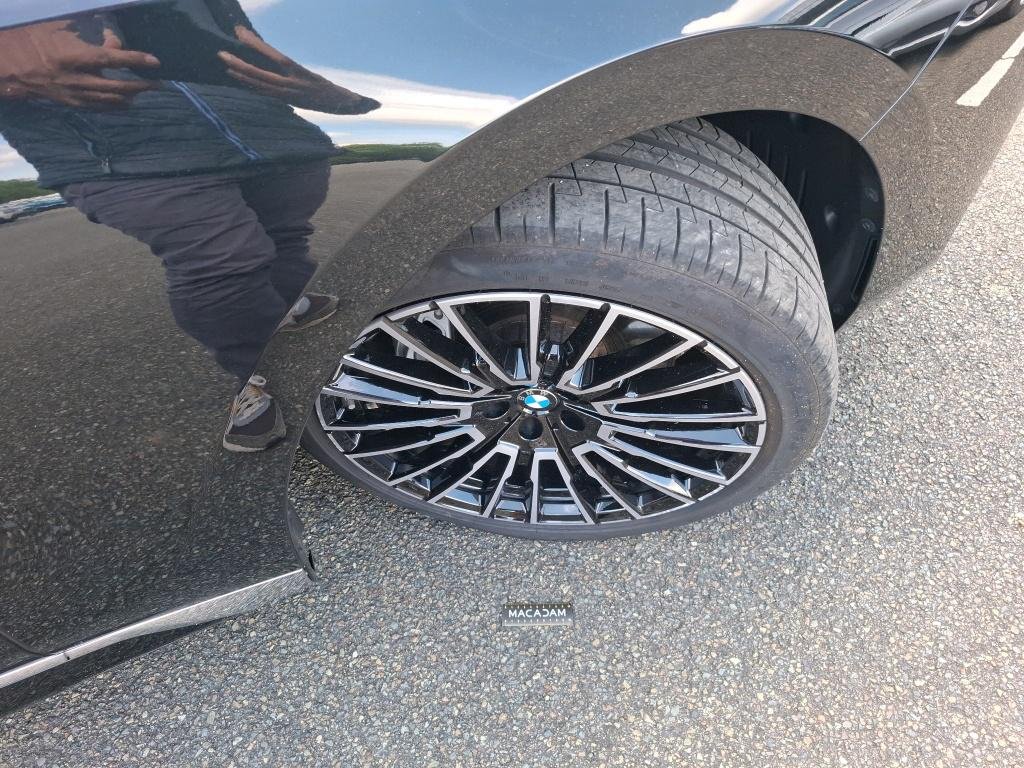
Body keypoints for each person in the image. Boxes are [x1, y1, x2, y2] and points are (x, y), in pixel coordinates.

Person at [0, 7, 380, 452]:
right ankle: (259, 374)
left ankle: (287, 308)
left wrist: (335, 95)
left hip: (268, 130)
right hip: (124, 147)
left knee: (284, 239)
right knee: (223, 264)